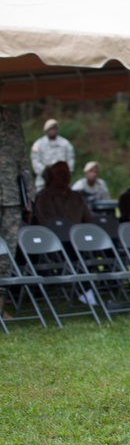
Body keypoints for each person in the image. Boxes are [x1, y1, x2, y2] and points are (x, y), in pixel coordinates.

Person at [0, 106, 34, 321]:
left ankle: (0, 305)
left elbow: (23, 161)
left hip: (11, 199)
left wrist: (29, 193)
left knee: (6, 255)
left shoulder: (12, 116)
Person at [33, 161, 93, 226]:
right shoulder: (44, 198)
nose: (65, 176)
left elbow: (88, 220)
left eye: (67, 173)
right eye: (60, 173)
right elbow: (49, 222)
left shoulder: (77, 197)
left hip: (78, 234)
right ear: (51, 176)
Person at [31, 118, 75, 191]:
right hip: (43, 182)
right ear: (46, 130)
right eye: (50, 129)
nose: (53, 131)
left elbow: (71, 159)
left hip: (62, 182)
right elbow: (35, 161)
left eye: (54, 129)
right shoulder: (38, 144)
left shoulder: (65, 144)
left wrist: (65, 173)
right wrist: (46, 172)